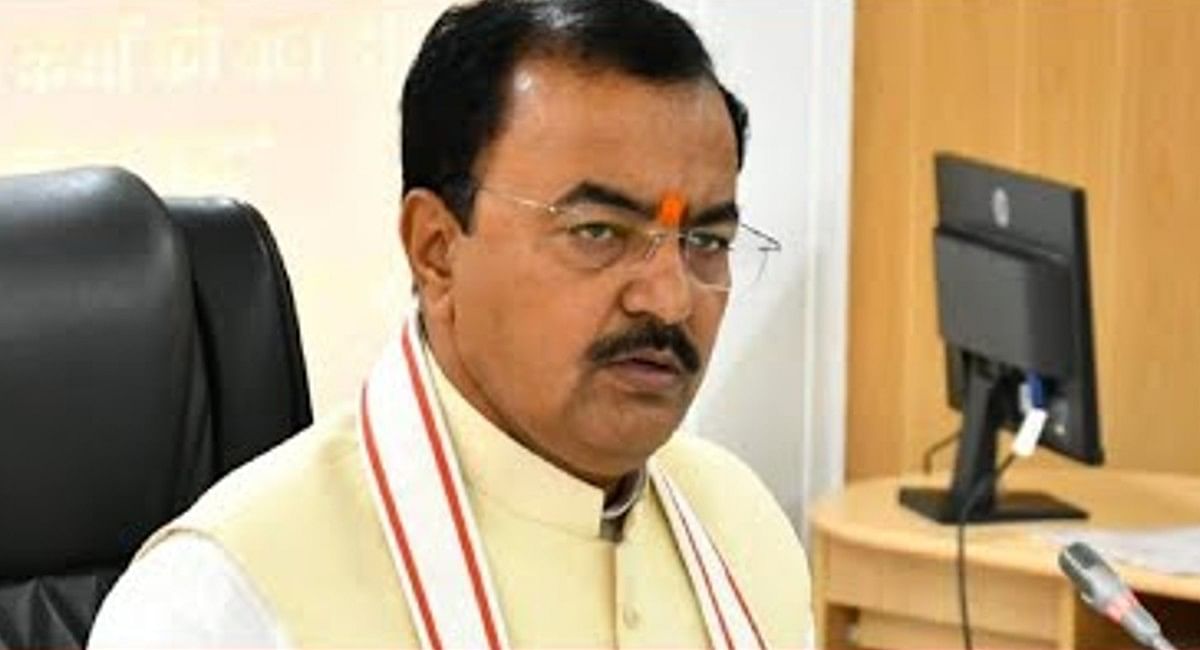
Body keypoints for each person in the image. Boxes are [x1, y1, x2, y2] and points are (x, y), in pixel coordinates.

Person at [89, 0, 812, 647]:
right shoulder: (220, 601)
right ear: (435, 250)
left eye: (705, 240)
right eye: (598, 232)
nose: (670, 299)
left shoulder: (742, 527)